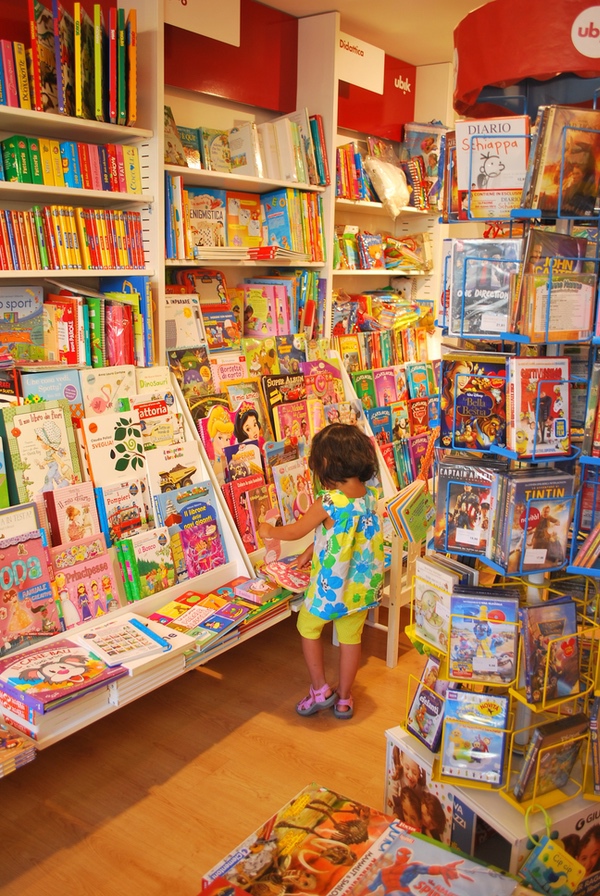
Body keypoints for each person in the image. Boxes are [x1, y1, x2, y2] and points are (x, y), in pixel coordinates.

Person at [258, 423, 384, 720]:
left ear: (327, 464)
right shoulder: (369, 495)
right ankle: (344, 699)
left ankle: (320, 689)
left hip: (330, 586)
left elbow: (294, 531)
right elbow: (346, 534)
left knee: (308, 627)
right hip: (361, 587)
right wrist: (309, 551)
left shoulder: (328, 501)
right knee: (351, 638)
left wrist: (267, 529)